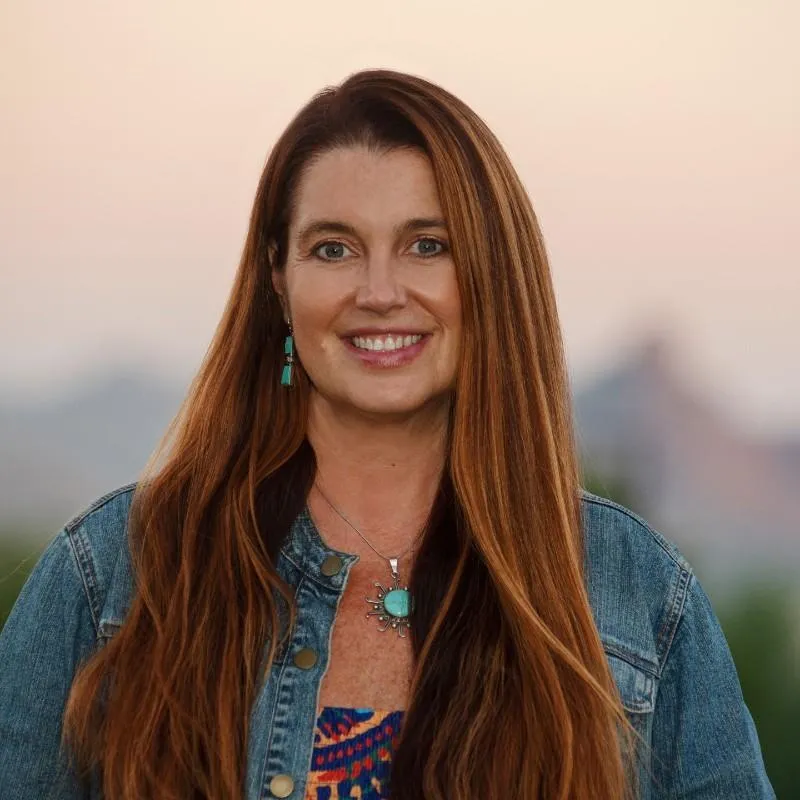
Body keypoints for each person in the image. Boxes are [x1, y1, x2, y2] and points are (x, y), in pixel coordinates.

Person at [0, 69, 774, 800]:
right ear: (278, 278)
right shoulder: (113, 578)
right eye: (333, 249)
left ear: (491, 275)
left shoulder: (633, 592)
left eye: (427, 245)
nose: (378, 292)